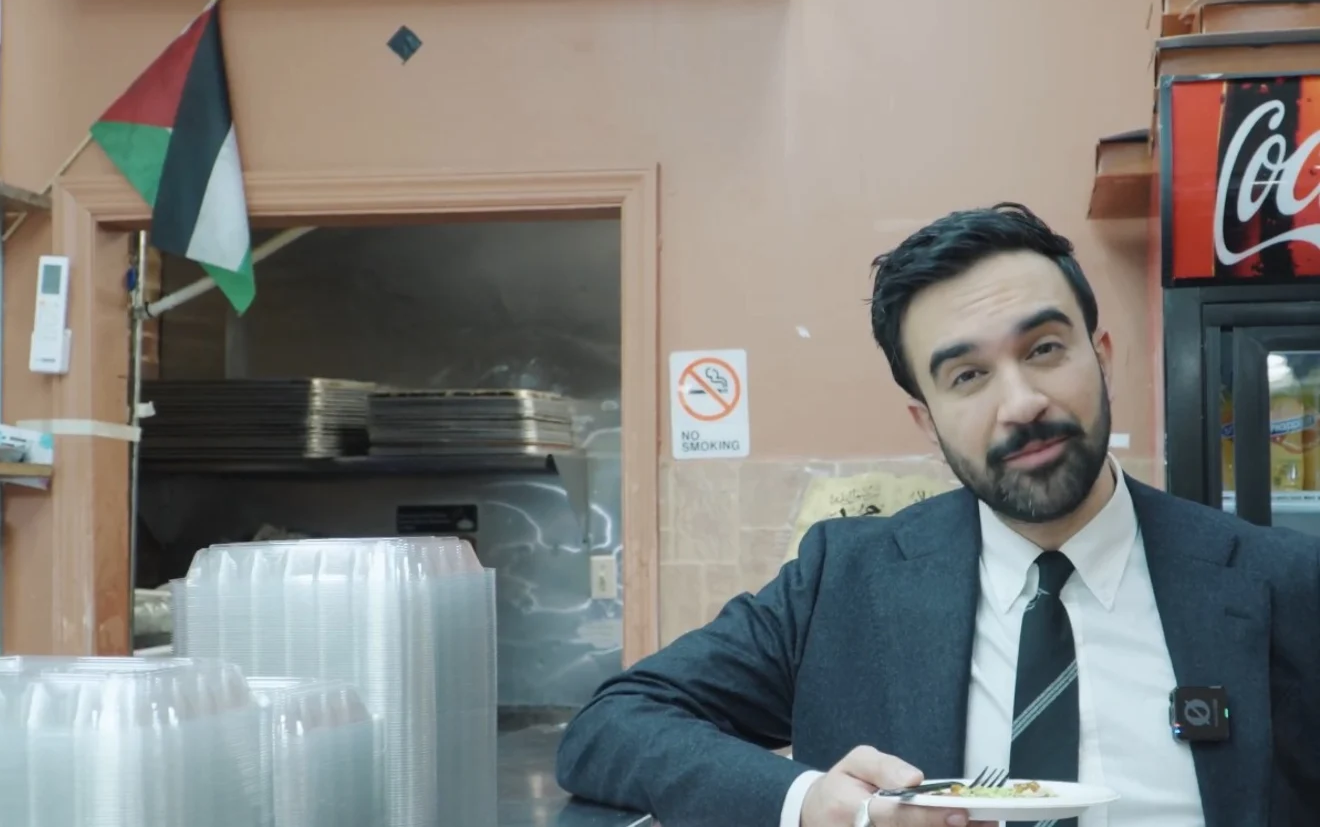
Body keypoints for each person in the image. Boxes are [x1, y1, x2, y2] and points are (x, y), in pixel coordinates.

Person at [555, 203, 1320, 827]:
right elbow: (616, 722)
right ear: (926, 421)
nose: (1021, 402)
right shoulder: (841, 582)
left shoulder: (1279, 582)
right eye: (968, 375)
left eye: (1047, 348)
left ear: (1103, 355)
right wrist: (808, 801)